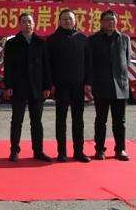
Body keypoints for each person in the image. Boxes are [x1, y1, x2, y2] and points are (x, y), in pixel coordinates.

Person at [3, 12, 53, 162]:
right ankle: (14, 150)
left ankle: (38, 151)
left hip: (37, 87)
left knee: (36, 122)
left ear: (34, 24)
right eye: (24, 21)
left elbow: (47, 66)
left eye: (29, 21)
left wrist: (47, 86)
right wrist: (8, 85)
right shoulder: (12, 43)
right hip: (18, 87)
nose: (27, 24)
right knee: (16, 120)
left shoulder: (41, 42)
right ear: (19, 24)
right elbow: (8, 67)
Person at [47, 9, 91, 163]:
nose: (67, 21)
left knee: (78, 120)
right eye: (64, 19)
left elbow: (89, 63)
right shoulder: (52, 40)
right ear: (59, 21)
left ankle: (79, 152)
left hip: (78, 86)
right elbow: (48, 65)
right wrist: (50, 84)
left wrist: (88, 82)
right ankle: (62, 152)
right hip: (60, 86)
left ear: (75, 21)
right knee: (61, 120)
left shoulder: (82, 39)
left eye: (70, 19)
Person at [86, 9, 131, 161]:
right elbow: (90, 64)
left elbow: (126, 61)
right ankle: (99, 149)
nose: (110, 22)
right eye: (106, 19)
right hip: (101, 85)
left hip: (120, 86)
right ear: (101, 22)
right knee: (101, 120)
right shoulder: (93, 40)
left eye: (113, 19)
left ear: (117, 21)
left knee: (120, 121)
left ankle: (120, 149)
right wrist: (89, 83)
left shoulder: (124, 39)